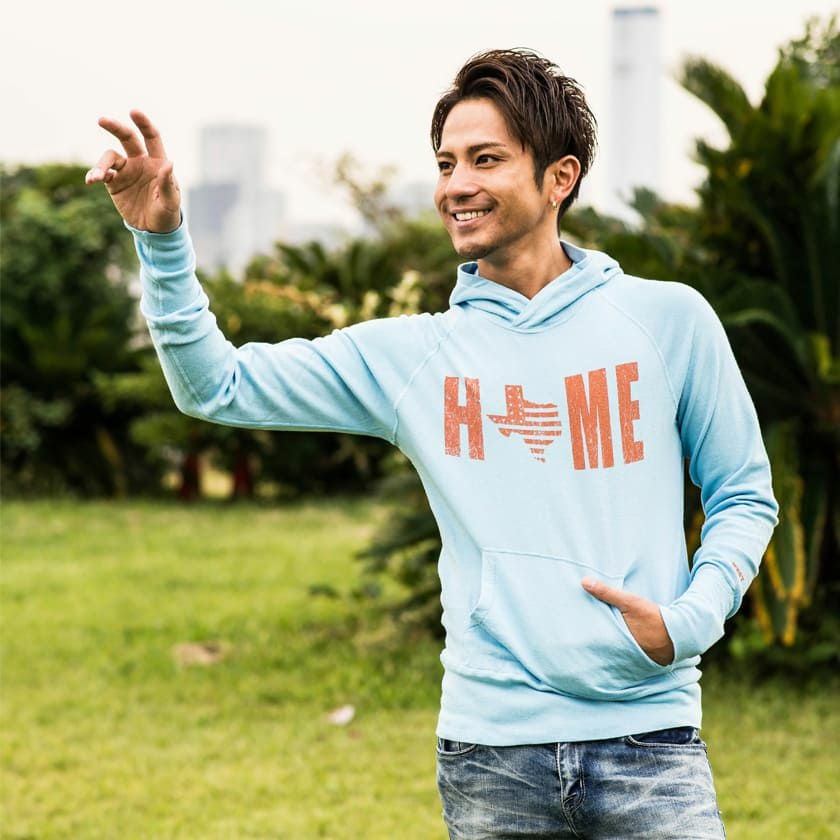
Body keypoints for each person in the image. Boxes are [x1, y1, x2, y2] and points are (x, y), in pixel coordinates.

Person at [87, 49, 777, 839]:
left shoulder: (668, 322)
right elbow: (216, 386)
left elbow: (742, 493)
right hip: (492, 757)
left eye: (486, 159)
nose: (455, 185)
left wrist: (689, 620)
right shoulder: (415, 357)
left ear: (560, 178)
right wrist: (162, 243)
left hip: (649, 743)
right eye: (446, 163)